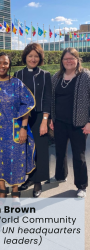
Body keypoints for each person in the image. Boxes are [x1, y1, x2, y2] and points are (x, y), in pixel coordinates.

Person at [0, 52, 35, 200]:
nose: (2, 66)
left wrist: (24, 128)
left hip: (15, 129)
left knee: (17, 159)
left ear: (9, 65)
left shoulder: (17, 83)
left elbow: (27, 104)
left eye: (5, 63)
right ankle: (2, 190)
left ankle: (16, 191)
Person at [50, 48, 89, 198]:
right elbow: (52, 99)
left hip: (79, 123)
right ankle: (60, 175)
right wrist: (52, 119)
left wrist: (89, 122)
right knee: (60, 152)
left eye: (71, 58)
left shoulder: (85, 76)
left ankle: (81, 186)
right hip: (59, 122)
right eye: (65, 59)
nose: (68, 61)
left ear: (77, 59)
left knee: (79, 156)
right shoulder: (57, 77)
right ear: (62, 61)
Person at [14, 43, 52, 197]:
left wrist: (45, 120)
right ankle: (28, 178)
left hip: (39, 117)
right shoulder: (18, 75)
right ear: (25, 57)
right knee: (23, 149)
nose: (33, 59)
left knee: (40, 150)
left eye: (36, 56)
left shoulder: (45, 75)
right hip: (22, 117)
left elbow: (48, 98)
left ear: (40, 58)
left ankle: (37, 182)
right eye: (30, 56)